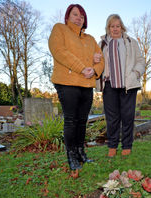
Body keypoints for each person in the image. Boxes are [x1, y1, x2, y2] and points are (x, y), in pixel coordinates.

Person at [48, 4, 104, 170]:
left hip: (86, 84)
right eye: (75, 15)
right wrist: (82, 67)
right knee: (71, 120)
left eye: (82, 16)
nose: (79, 18)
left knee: (82, 121)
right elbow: (58, 50)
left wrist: (94, 69)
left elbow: (101, 60)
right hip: (67, 82)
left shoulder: (90, 39)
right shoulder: (60, 29)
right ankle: (71, 155)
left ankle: (80, 153)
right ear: (67, 17)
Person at [97, 14, 145, 157]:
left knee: (127, 116)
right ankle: (112, 146)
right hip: (109, 85)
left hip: (128, 85)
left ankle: (127, 145)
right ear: (108, 28)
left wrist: (135, 73)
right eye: (112, 26)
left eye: (118, 26)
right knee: (112, 118)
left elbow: (140, 60)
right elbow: (97, 63)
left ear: (122, 27)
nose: (115, 29)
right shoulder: (102, 44)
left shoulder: (131, 42)